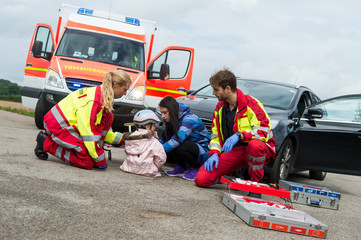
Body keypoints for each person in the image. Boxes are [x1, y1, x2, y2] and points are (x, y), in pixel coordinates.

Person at [194, 69, 276, 198]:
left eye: (216, 90)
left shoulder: (252, 104)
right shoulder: (220, 107)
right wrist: (215, 154)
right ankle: (228, 175)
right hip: (234, 151)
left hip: (254, 150)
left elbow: (264, 132)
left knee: (255, 145)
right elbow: (215, 135)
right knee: (201, 180)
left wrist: (240, 135)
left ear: (227, 88)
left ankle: (255, 186)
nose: (213, 93)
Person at [34, 70, 131, 170]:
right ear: (116, 84)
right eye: (124, 89)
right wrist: (99, 160)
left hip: (66, 125)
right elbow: (89, 135)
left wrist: (126, 139)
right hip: (57, 126)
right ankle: (46, 142)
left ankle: (78, 149)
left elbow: (103, 134)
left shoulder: (100, 98)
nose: (125, 93)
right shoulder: (94, 102)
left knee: (109, 117)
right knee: (87, 162)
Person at [158, 96, 210, 180]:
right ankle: (181, 167)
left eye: (165, 113)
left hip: (203, 152)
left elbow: (178, 139)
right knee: (169, 141)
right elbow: (163, 139)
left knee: (177, 144)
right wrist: (153, 148)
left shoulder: (190, 119)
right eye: (161, 113)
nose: (163, 116)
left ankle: (196, 168)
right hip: (188, 146)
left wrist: (158, 151)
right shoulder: (171, 119)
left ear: (172, 110)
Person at [120, 109, 166, 177]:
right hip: (148, 171)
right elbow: (161, 159)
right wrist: (156, 167)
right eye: (153, 125)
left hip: (128, 168)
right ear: (147, 126)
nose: (155, 127)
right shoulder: (154, 142)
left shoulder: (130, 138)